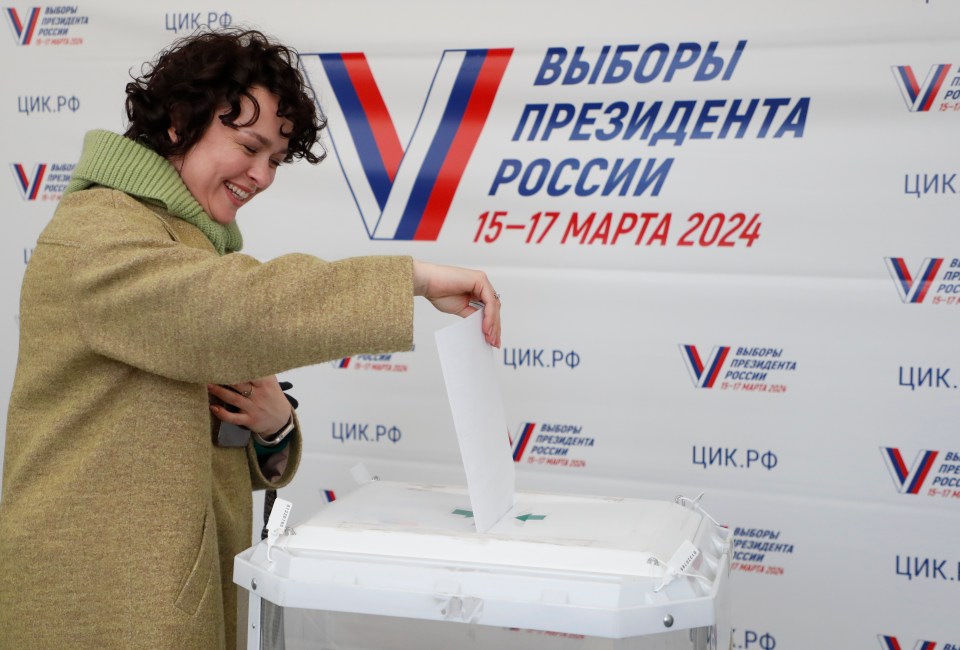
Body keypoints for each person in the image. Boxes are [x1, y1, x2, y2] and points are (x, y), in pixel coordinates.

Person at [0, 28, 501, 649]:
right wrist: (413, 280)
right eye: (249, 146)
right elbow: (230, 311)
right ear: (180, 123)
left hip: (175, 585)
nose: (262, 175)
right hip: (102, 600)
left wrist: (273, 429)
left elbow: (187, 414)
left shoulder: (179, 241)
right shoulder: (98, 235)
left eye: (275, 160)